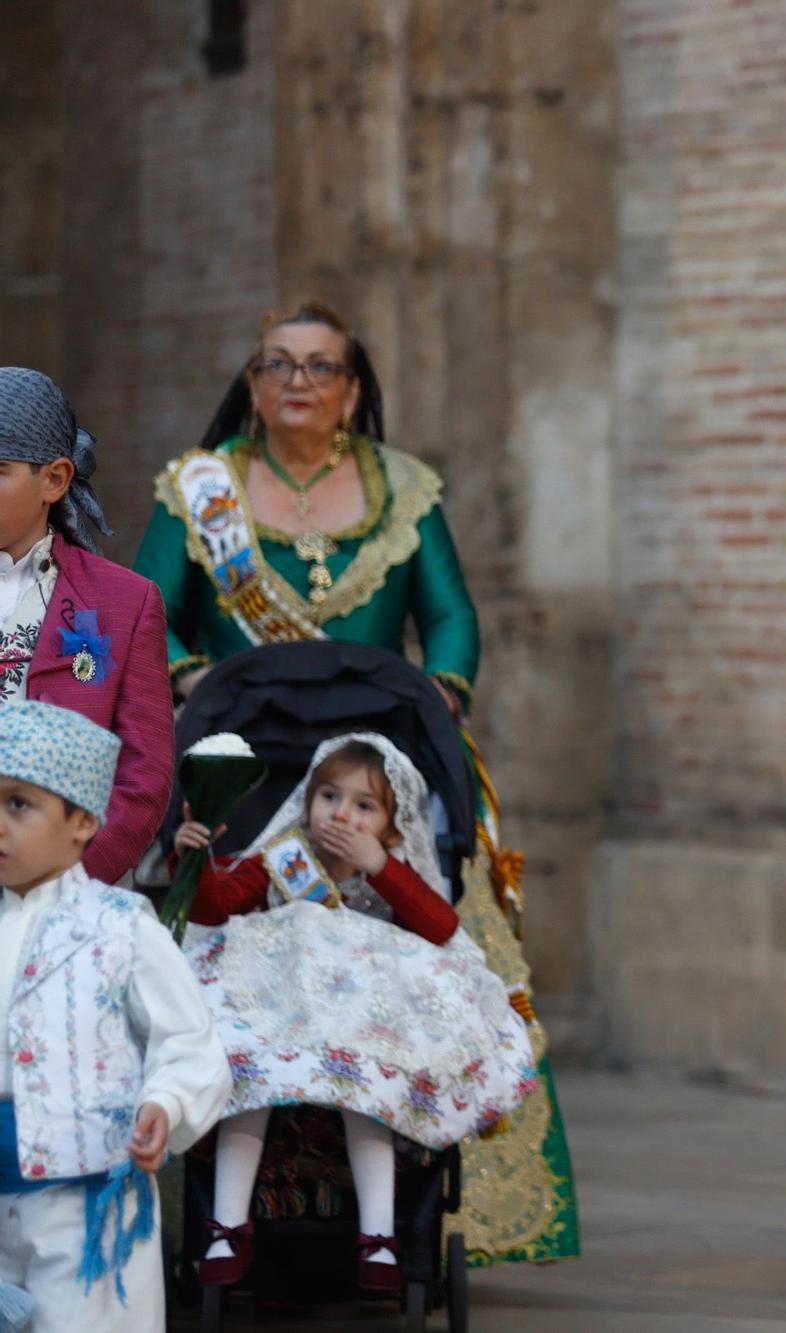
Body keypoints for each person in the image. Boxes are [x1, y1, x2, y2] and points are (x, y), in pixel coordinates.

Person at [130, 302, 580, 1264]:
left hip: (375, 765)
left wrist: (436, 705)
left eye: (321, 365)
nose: (298, 379)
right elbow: (148, 612)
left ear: (354, 389)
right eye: (277, 363)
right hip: (240, 756)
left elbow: (453, 619)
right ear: (251, 383)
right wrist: (192, 676)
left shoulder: (404, 490)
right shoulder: (198, 490)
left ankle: (404, 1194)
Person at [175, 732, 538, 1292]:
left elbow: (440, 927)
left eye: (364, 806)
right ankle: (225, 1226)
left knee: (367, 1085)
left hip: (362, 1025)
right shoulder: (285, 858)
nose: (342, 814)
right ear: (307, 800)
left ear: (393, 826)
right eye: (329, 797)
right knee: (245, 1075)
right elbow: (217, 906)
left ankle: (379, 1237)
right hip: (279, 1015)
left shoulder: (390, 867)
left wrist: (379, 865)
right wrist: (195, 856)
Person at [0, 701, 229, 1332]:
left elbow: (189, 1040)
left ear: (81, 821)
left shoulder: (121, 927)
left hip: (84, 1203)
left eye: (18, 805)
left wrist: (167, 1104)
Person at [0, 369, 175, 883]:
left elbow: (144, 777)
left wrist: (63, 884)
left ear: (54, 479)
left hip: (64, 890)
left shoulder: (126, 602)